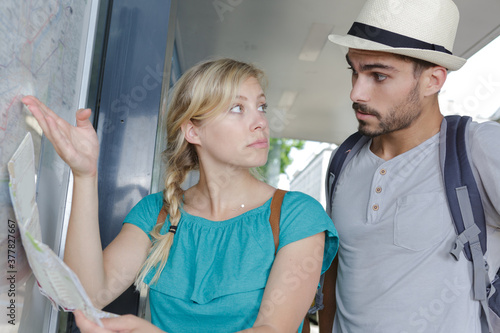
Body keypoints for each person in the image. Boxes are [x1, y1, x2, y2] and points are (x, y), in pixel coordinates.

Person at [23, 58, 339, 332]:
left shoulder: (297, 216)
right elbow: (87, 296)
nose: (260, 122)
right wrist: (84, 174)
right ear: (193, 131)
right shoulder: (157, 213)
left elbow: (272, 330)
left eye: (261, 106)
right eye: (237, 108)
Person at [317, 0, 500, 332]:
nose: (356, 92)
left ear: (432, 80)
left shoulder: (478, 148)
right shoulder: (343, 159)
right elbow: (336, 270)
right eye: (354, 71)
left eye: (378, 75)